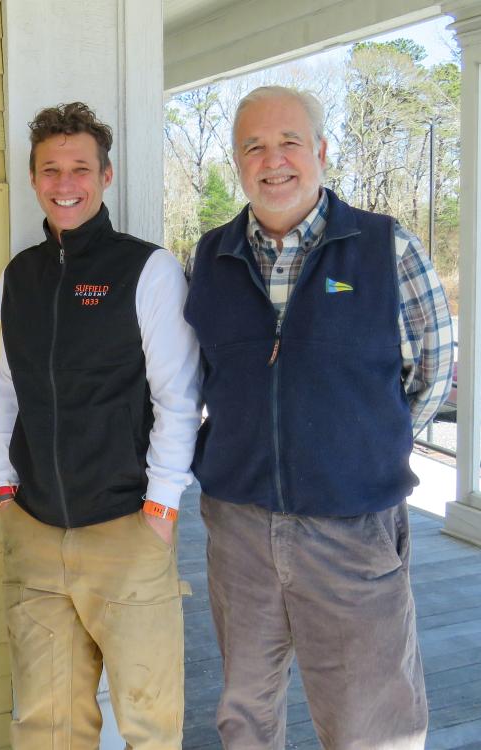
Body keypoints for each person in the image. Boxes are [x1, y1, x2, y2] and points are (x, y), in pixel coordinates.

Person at [183, 85, 454, 749]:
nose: (272, 160)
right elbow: (193, 378)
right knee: (246, 711)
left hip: (351, 528)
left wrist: (369, 445)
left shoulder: (387, 248)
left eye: (288, 142)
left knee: (371, 721)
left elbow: (434, 364)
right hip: (240, 527)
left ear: (322, 152)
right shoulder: (209, 258)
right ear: (238, 163)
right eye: (254, 147)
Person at [0, 102, 202, 749]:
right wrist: (4, 486)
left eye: (80, 167)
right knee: (46, 724)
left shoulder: (147, 270)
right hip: (34, 529)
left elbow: (178, 395)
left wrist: (161, 508)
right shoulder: (17, 278)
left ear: (105, 176)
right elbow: (8, 387)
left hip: (126, 530)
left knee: (149, 722)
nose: (65, 182)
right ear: (33, 179)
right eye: (50, 169)